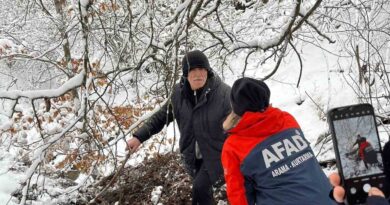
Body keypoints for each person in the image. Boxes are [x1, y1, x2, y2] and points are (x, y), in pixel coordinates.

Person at [126, 50, 231, 205]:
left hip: (217, 154)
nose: (198, 74)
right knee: (203, 193)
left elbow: (239, 123)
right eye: (193, 70)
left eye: (202, 69)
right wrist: (139, 137)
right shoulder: (178, 94)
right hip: (192, 155)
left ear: (207, 71)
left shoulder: (224, 94)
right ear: (185, 74)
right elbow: (162, 116)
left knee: (199, 189)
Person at [221, 77, 335, 205]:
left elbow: (239, 197)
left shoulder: (233, 146)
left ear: (236, 108)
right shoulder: (287, 119)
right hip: (330, 199)